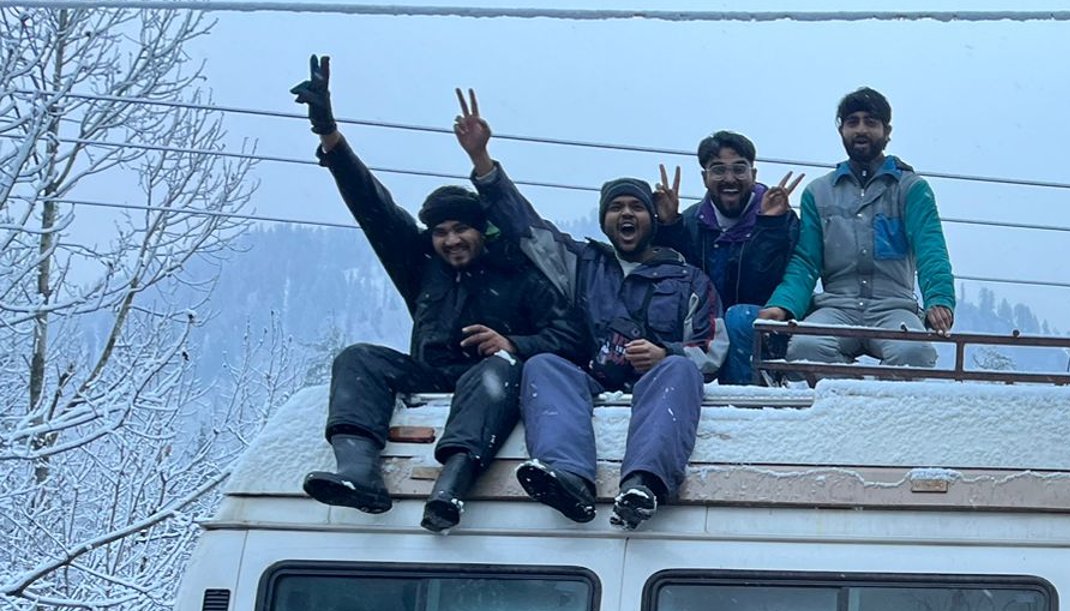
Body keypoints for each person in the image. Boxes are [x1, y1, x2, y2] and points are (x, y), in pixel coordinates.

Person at [289, 56, 585, 533]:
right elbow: (373, 206)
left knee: (499, 369)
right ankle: (358, 470)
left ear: (480, 231)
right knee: (359, 357)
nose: (451, 241)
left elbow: (571, 336)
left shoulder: (518, 272)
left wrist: (514, 344)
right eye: (441, 232)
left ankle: (452, 486)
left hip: (489, 389)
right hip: (428, 375)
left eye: (461, 230)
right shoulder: (421, 266)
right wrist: (330, 135)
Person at [454, 91, 725, 529]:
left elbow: (712, 347)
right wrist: (483, 161)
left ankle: (643, 483)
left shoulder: (688, 277)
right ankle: (569, 477)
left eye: (636, 206)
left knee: (681, 370)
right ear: (604, 220)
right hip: (593, 377)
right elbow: (525, 227)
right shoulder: (581, 263)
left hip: (658, 385)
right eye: (616, 207)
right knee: (541, 364)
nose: (626, 213)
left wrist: (666, 354)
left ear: (651, 220)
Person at [758, 87, 955, 370]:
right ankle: (849, 402)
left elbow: (931, 250)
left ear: (887, 131)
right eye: (853, 122)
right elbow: (805, 262)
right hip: (837, 305)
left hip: (894, 306)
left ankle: (883, 412)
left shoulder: (911, 189)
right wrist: (783, 305)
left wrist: (939, 300)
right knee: (805, 348)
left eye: (870, 122)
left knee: (914, 353)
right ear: (841, 131)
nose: (861, 129)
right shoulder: (819, 192)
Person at [652, 132, 804, 385]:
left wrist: (769, 226)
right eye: (719, 170)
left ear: (753, 174)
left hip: (760, 326)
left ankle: (742, 404)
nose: (729, 179)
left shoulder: (782, 221)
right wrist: (669, 226)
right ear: (705, 177)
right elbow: (676, 277)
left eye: (739, 169)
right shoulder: (691, 223)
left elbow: (767, 283)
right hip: (705, 327)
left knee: (738, 318)